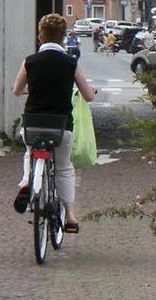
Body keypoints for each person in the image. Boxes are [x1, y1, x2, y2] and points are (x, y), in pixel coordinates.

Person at [11, 12, 95, 234]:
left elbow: (17, 90)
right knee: (64, 167)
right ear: (63, 38)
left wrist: (32, 89)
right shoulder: (71, 64)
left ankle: (27, 183)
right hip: (60, 127)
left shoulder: (30, 62)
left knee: (30, 153)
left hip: (32, 124)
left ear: (40, 37)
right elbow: (88, 96)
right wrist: (91, 91)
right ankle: (70, 217)